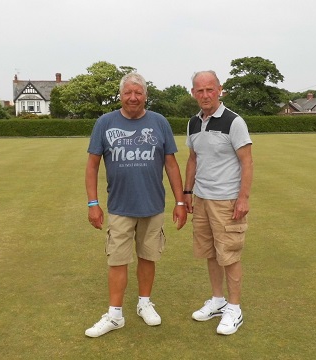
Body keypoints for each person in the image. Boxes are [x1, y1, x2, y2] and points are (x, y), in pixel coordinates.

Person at [84, 72, 187, 338]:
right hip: (119, 207)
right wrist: (93, 203)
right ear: (121, 95)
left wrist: (180, 201)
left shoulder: (159, 123)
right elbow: (92, 165)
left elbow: (171, 164)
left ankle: (144, 303)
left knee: (148, 256)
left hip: (152, 206)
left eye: (138, 93)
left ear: (145, 96)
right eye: (128, 92)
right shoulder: (105, 123)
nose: (133, 97)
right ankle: (115, 315)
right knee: (117, 260)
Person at [183, 70, 253, 336]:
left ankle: (234, 309)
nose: (205, 95)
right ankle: (217, 300)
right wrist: (188, 192)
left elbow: (247, 161)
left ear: (219, 89)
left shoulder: (234, 121)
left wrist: (243, 198)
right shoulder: (193, 123)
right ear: (193, 93)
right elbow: (193, 159)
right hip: (201, 198)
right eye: (199, 91)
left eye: (209, 89)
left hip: (227, 200)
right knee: (210, 252)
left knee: (230, 254)